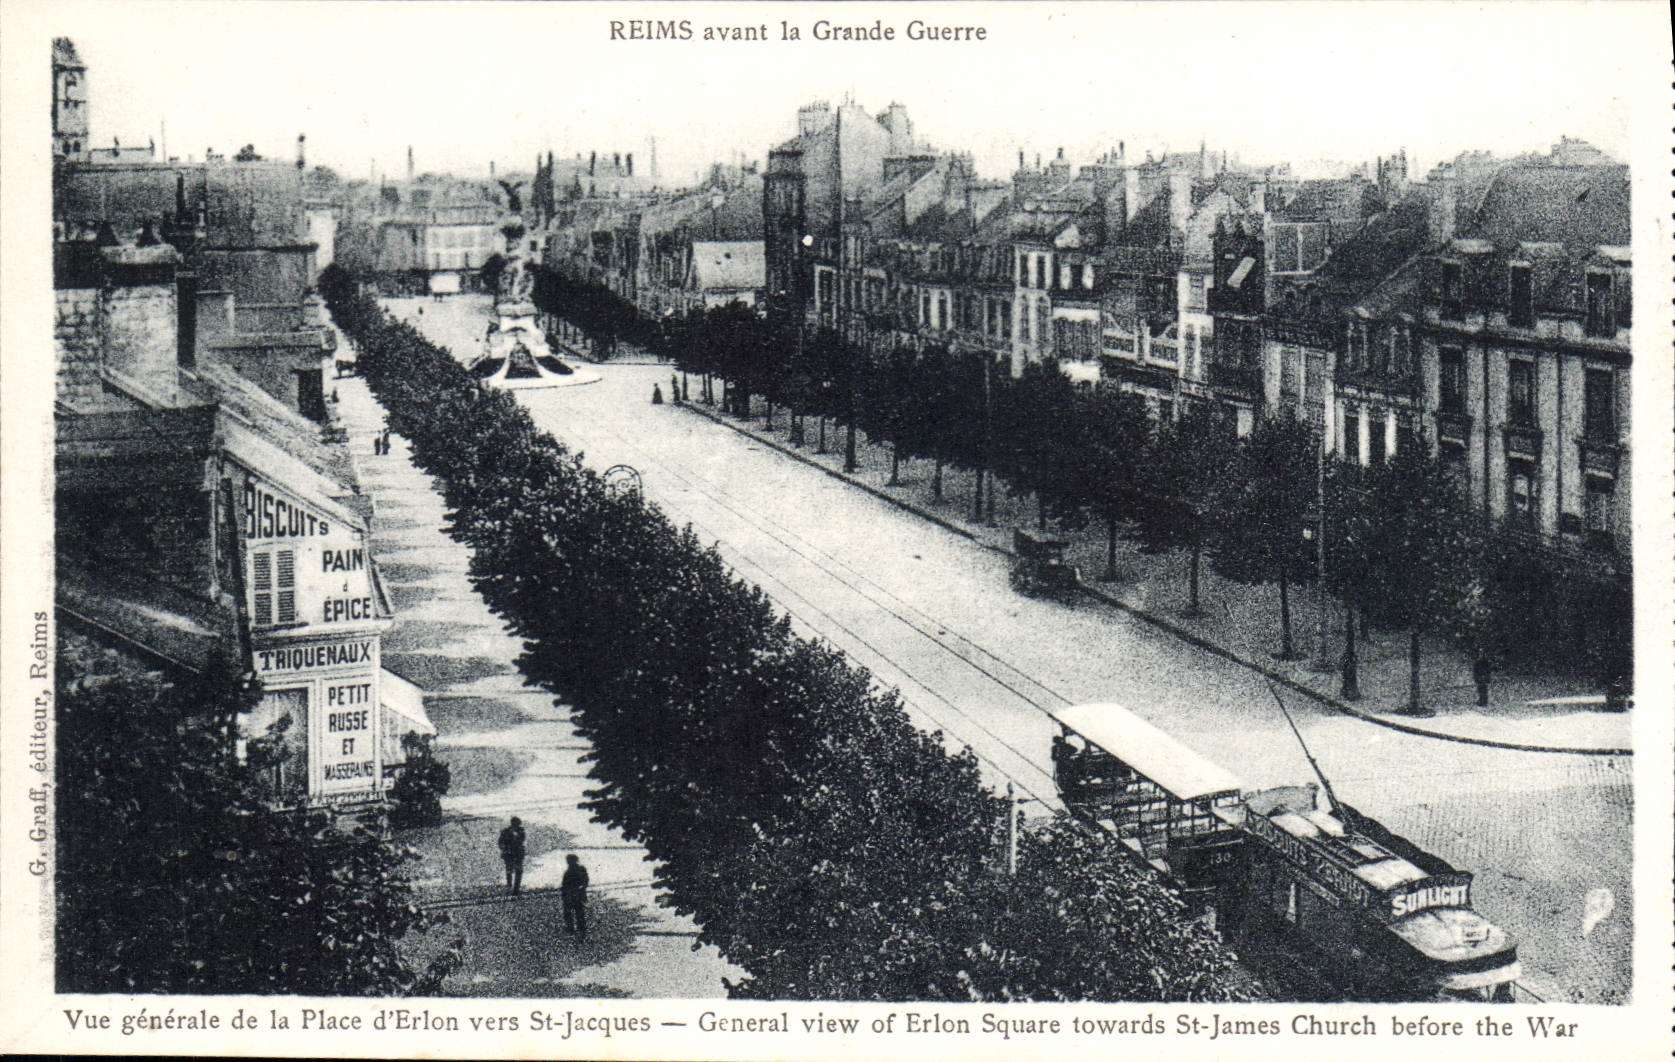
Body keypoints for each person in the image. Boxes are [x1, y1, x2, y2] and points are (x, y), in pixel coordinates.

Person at [560, 854, 589, 941]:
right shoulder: (578, 870)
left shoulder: (572, 871)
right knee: (576, 912)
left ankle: (574, 928)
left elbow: (585, 881)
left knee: (574, 912)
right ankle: (576, 928)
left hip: (574, 894)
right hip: (574, 894)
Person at [497, 817, 526, 896]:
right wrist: (504, 849)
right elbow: (500, 842)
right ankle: (509, 886)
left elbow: (521, 841)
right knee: (509, 871)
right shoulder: (505, 832)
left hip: (517, 854)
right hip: (509, 854)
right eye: (516, 824)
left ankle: (516, 889)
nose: (517, 826)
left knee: (518, 871)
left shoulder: (521, 831)